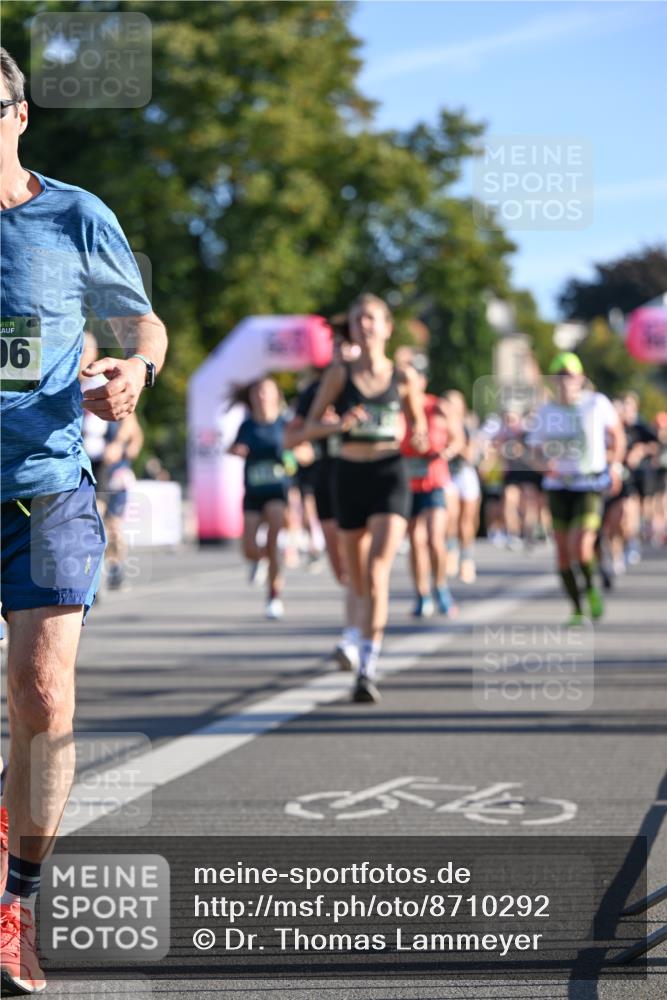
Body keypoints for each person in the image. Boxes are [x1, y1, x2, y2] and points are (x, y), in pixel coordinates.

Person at [0, 47, 167, 995]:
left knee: (44, 698)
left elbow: (142, 325)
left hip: (48, 488)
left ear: (21, 114)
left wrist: (134, 371)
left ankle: (16, 908)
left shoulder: (73, 215)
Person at [304, 293, 428, 703]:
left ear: (387, 327)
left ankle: (367, 667)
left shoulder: (404, 376)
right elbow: (309, 427)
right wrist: (339, 424)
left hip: (390, 474)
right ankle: (356, 637)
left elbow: (418, 427)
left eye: (372, 318)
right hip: (349, 475)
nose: (364, 325)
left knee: (377, 572)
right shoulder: (339, 374)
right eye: (358, 319)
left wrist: (421, 437)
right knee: (356, 578)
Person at [284, 319, 363, 670]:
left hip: (367, 480)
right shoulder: (314, 390)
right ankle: (360, 627)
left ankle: (357, 638)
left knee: (365, 566)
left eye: (348, 344)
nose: (342, 351)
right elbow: (290, 438)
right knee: (343, 570)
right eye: (337, 345)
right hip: (327, 482)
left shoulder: (374, 386)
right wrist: (326, 427)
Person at [527, 353, 625, 625]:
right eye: (559, 375)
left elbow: (617, 435)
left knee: (580, 546)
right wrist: (543, 465)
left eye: (569, 375)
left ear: (580, 378)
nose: (564, 381)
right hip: (558, 486)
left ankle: (591, 587)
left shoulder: (596, 403)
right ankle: (576, 607)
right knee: (562, 554)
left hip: (589, 484)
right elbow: (533, 452)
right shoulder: (545, 412)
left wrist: (615, 467)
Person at [398, 353, 460, 618]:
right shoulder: (397, 409)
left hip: (434, 481)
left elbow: (457, 439)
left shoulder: (437, 407)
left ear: (422, 381)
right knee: (416, 540)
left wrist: (445, 452)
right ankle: (421, 594)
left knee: (435, 539)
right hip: (408, 483)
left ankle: (441, 587)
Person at [229, 377, 295, 620]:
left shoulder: (285, 424)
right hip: (253, 491)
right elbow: (233, 447)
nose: (261, 396)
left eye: (266, 391)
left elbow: (304, 451)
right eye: (257, 392)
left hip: (278, 490)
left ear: (277, 395)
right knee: (248, 548)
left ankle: (274, 597)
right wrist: (237, 450)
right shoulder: (247, 425)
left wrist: (294, 457)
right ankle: (259, 560)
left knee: (273, 542)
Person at [444, 390, 482, 583]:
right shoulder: (439, 424)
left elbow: (471, 456)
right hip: (446, 474)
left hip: (465, 473)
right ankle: (451, 550)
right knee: (450, 516)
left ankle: (467, 559)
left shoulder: (468, 426)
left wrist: (457, 445)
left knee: (466, 521)